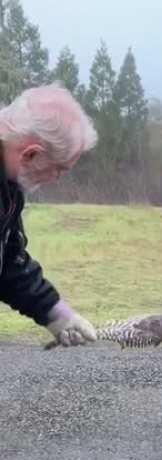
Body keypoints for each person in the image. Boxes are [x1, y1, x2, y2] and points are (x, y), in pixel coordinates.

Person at [0, 83, 98, 347]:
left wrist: (57, 314)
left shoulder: (9, 190)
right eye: (59, 170)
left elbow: (8, 262)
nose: (55, 179)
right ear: (31, 154)